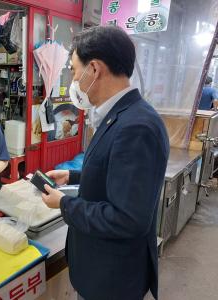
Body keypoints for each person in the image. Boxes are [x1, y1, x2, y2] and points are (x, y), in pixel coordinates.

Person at [41, 26, 169, 300]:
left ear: (94, 69)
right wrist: (72, 176)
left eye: (75, 70)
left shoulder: (136, 126)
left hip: (113, 281)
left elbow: (127, 219)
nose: (74, 79)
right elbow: (113, 173)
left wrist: (64, 204)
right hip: (99, 271)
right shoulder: (119, 115)